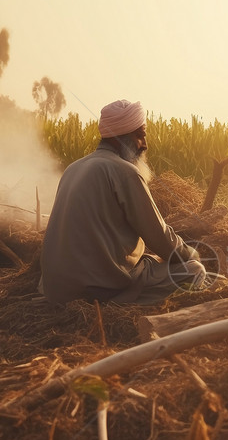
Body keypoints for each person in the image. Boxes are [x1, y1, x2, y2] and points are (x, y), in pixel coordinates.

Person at [40, 99, 206, 304]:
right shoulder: (124, 171)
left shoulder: (73, 168)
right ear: (120, 138)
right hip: (98, 291)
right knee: (194, 270)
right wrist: (190, 253)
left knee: (150, 263)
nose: (144, 144)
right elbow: (159, 237)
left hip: (57, 289)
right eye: (139, 136)